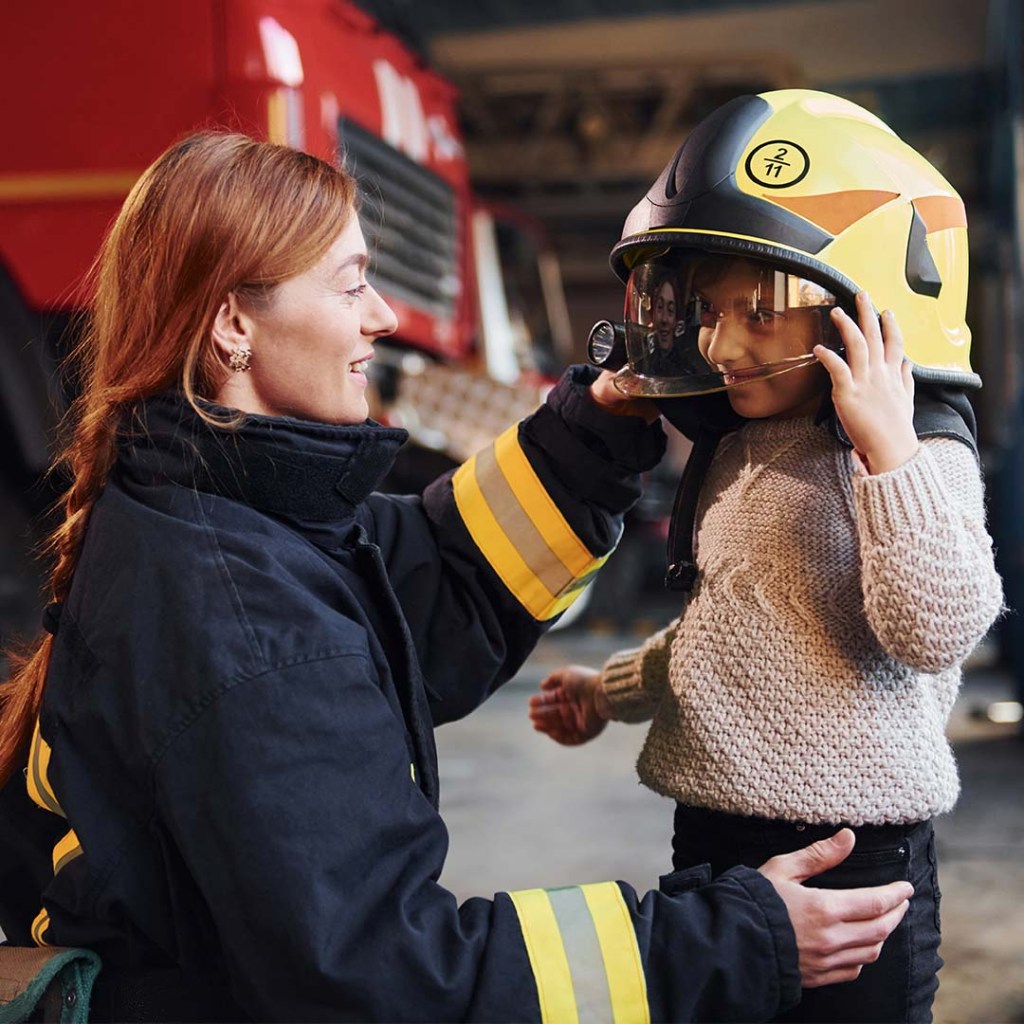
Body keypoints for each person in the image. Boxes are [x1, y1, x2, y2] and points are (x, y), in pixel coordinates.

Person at [0, 131, 914, 1024]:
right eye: (352, 282)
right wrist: (727, 941)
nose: (383, 316)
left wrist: (593, 433)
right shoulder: (242, 624)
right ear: (234, 323)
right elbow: (388, 975)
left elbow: (425, 581)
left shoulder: (215, 508)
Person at [530, 89, 1004, 1024]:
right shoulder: (744, 449)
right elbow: (731, 637)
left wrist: (888, 454)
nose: (721, 342)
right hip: (711, 842)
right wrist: (607, 690)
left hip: (849, 857)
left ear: (858, 308)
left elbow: (938, 628)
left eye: (760, 310)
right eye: (709, 310)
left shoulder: (918, 454)